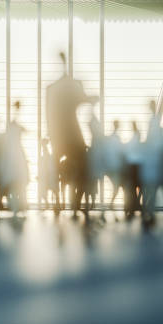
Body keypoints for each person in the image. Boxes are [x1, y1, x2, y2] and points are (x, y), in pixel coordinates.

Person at [45, 52, 97, 217]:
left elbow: (49, 115)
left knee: (55, 170)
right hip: (73, 134)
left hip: (59, 136)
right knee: (83, 169)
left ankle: (58, 204)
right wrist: (92, 99)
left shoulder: (52, 89)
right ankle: (74, 204)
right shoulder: (73, 85)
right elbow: (82, 99)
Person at [140, 102, 163, 225]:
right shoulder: (162, 140)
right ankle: (156, 213)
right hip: (159, 169)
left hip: (156, 170)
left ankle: (150, 213)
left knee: (154, 191)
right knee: (162, 191)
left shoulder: (154, 139)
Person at [0, 101, 29, 217]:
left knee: (14, 184)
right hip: (16, 157)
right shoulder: (14, 129)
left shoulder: (10, 130)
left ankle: (16, 208)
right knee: (17, 184)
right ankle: (18, 208)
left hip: (13, 158)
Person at [123, 121, 142, 217]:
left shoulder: (134, 138)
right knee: (135, 187)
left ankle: (132, 207)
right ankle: (135, 206)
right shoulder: (137, 137)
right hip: (136, 166)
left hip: (132, 166)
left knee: (131, 188)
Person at [38, 138, 60, 211]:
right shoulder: (46, 156)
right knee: (50, 190)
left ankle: (56, 205)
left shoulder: (48, 156)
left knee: (53, 190)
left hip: (50, 174)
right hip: (48, 175)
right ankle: (54, 204)